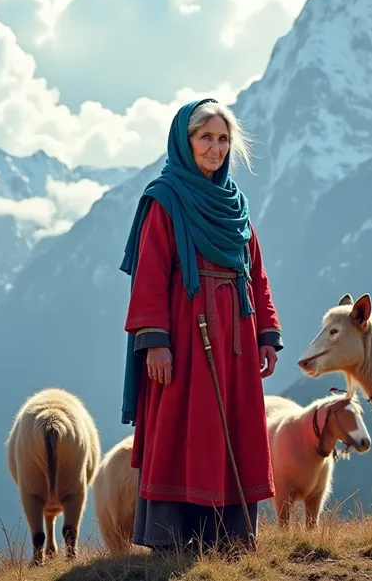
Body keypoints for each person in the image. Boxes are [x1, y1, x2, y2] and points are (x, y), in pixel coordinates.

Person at [119, 98, 283, 552]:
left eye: (223, 138)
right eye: (206, 137)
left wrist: (267, 334)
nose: (215, 147)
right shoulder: (165, 199)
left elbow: (256, 274)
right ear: (184, 141)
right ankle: (174, 537)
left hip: (237, 339)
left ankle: (230, 538)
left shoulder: (236, 205)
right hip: (185, 338)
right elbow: (150, 275)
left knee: (233, 425)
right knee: (183, 427)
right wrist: (156, 343)